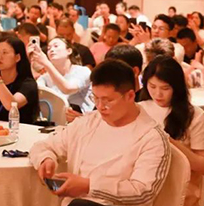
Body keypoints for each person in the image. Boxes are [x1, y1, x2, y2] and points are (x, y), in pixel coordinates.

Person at [29, 59, 170, 206]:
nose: (100, 106)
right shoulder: (88, 122)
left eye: (108, 100)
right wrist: (46, 159)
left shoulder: (152, 138)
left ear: (130, 96)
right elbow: (43, 146)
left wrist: (89, 186)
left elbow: (143, 193)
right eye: (95, 98)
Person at [139, 55, 204, 206]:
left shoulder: (195, 116)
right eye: (152, 86)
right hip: (142, 186)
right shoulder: (139, 109)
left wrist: (169, 142)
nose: (158, 94)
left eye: (165, 88)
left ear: (177, 87)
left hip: (179, 189)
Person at [31, 37, 94, 114]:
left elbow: (68, 89)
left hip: (83, 117)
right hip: (57, 118)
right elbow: (37, 95)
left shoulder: (83, 71)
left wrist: (46, 63)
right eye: (49, 48)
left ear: (69, 51)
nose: (51, 50)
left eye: (56, 46)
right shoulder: (45, 77)